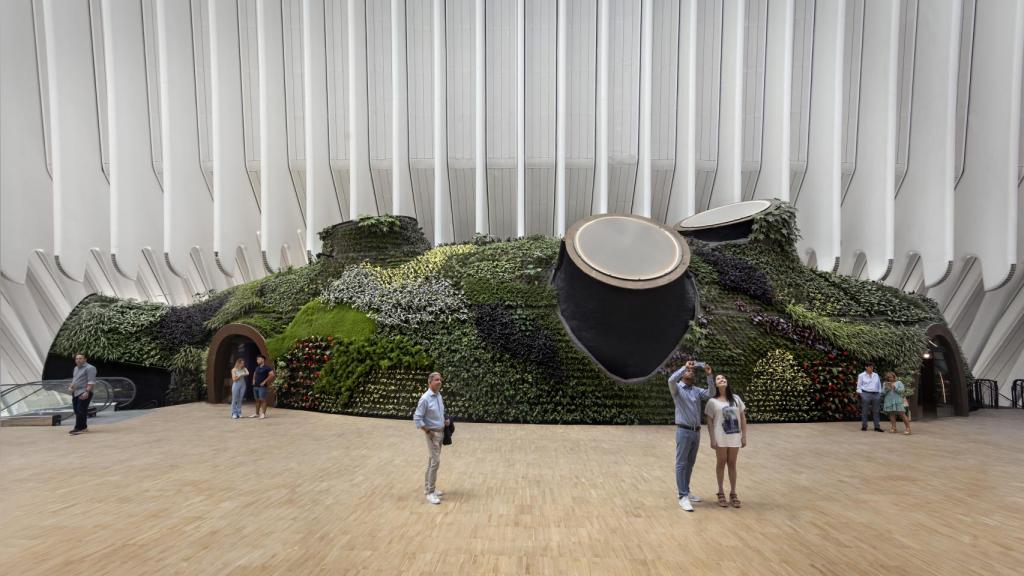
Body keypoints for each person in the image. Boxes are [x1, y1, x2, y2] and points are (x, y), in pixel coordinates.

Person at [668, 360, 714, 512]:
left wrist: (709, 376)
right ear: (682, 374)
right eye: (688, 371)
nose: (691, 372)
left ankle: (686, 491)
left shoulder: (696, 390)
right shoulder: (677, 389)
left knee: (690, 464)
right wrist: (684, 367)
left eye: (692, 371)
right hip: (683, 431)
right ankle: (682, 497)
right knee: (681, 464)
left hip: (696, 431)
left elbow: (711, 393)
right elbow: (670, 379)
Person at [704, 374, 747, 508]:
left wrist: (744, 435)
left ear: (727, 382)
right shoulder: (712, 401)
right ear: (716, 385)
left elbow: (743, 417)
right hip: (720, 437)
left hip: (734, 437)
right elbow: (709, 422)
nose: (722, 380)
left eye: (723, 378)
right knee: (721, 462)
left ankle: (733, 493)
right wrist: (712, 438)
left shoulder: (736, 399)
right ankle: (721, 492)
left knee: (732, 464)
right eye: (718, 379)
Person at [413, 372, 450, 505]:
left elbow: (440, 412)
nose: (439, 382)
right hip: (432, 435)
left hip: (440, 433)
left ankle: (427, 487)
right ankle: (430, 492)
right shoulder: (425, 398)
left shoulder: (438, 395)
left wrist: (445, 420)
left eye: (440, 379)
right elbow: (417, 417)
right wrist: (428, 431)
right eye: (436, 380)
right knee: (435, 462)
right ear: (430, 382)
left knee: (431, 461)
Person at [67, 353, 97, 435]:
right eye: (76, 358)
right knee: (77, 410)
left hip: (84, 392)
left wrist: (87, 392)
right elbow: (75, 380)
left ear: (85, 359)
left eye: (80, 358)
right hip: (75, 392)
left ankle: (78, 428)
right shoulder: (76, 368)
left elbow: (91, 381)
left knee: (81, 410)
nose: (78, 360)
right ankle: (83, 427)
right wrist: (71, 387)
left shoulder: (90, 368)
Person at [856, 362, 883, 432]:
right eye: (870, 367)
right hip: (865, 393)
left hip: (876, 394)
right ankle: (864, 426)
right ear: (866, 367)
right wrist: (861, 394)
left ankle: (877, 426)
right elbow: (858, 386)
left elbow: (879, 385)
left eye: (872, 367)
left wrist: (879, 393)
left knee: (876, 411)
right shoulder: (861, 375)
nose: (871, 368)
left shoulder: (876, 375)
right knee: (865, 410)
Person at [249, 355, 275, 419]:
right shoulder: (257, 367)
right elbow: (254, 374)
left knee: (263, 399)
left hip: (262, 387)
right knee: (257, 400)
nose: (257, 360)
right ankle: (257, 413)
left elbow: (272, 374)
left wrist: (264, 381)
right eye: (257, 359)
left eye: (258, 359)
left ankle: (263, 414)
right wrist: (253, 381)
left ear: (262, 360)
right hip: (255, 386)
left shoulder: (267, 367)